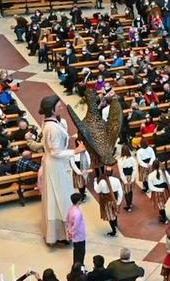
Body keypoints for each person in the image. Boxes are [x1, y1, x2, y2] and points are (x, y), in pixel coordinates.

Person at [40, 95, 82, 244]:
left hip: (56, 163)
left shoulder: (50, 123)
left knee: (61, 195)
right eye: (58, 106)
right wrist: (75, 151)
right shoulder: (52, 127)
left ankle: (62, 232)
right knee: (60, 196)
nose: (61, 107)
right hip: (56, 164)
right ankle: (61, 234)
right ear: (52, 109)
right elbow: (55, 152)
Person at [92, 166, 124, 237]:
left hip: (107, 201)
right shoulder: (116, 180)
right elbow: (120, 192)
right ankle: (115, 225)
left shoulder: (102, 182)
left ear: (105, 173)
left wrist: (95, 182)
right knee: (114, 213)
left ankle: (114, 231)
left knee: (110, 216)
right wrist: (118, 202)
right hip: (115, 200)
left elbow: (97, 190)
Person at [66, 193, 87, 267]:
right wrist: (72, 233)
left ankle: (75, 265)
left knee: (76, 251)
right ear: (78, 201)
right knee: (81, 252)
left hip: (74, 234)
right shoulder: (77, 213)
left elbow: (68, 220)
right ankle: (79, 266)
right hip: (79, 235)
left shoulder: (71, 208)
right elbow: (76, 226)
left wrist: (69, 231)